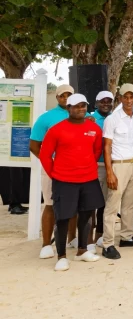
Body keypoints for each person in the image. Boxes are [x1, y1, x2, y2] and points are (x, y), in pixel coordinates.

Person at [38, 93, 104, 271]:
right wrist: (55, 174)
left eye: (83, 105)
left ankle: (82, 250)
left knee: (86, 215)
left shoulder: (94, 128)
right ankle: (61, 256)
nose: (80, 109)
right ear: (68, 108)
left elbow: (96, 150)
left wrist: (86, 167)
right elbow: (45, 155)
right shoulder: (56, 129)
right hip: (64, 181)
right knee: (63, 218)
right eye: (76, 106)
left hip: (89, 179)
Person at [29, 84, 78, 260]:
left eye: (69, 95)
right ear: (57, 98)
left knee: (74, 205)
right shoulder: (46, 118)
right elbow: (34, 145)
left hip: (75, 168)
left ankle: (72, 238)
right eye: (62, 95)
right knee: (50, 204)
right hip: (53, 167)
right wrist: (49, 162)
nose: (65, 98)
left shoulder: (81, 114)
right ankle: (46, 245)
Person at [101, 84, 133, 260]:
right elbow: (107, 146)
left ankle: (126, 237)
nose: (128, 100)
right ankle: (108, 244)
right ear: (119, 99)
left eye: (131, 97)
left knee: (129, 204)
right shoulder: (112, 119)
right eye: (125, 97)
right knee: (112, 206)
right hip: (118, 165)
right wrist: (110, 172)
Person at [89, 90, 114, 252]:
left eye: (109, 101)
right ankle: (88, 238)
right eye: (102, 101)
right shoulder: (89, 119)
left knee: (105, 204)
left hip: (110, 166)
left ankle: (100, 235)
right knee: (90, 204)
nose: (106, 104)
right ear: (96, 103)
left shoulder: (115, 118)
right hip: (94, 166)